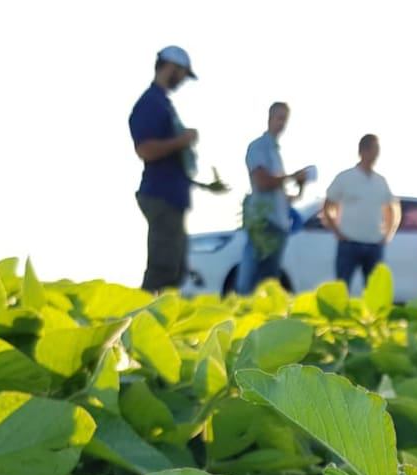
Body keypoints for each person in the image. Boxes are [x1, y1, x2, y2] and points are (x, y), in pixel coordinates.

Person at [128, 45, 225, 292]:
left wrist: (205, 185)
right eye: (183, 73)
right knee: (163, 268)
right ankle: (138, 323)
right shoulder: (151, 103)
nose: (183, 80)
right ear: (172, 67)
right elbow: (145, 150)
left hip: (171, 195)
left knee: (175, 270)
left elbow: (171, 164)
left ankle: (158, 323)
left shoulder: (162, 103)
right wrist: (182, 141)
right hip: (160, 196)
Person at [235, 103, 310, 295]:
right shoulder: (259, 147)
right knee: (250, 279)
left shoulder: (276, 152)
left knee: (268, 282)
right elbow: (262, 181)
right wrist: (292, 177)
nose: (283, 123)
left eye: (285, 119)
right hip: (263, 222)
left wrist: (299, 188)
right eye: (280, 118)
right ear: (270, 118)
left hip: (278, 223)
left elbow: (277, 193)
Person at [323, 134, 401, 288]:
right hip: (349, 243)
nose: (376, 154)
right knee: (342, 288)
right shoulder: (345, 178)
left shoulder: (380, 181)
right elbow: (328, 205)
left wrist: (387, 233)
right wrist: (337, 231)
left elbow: (391, 208)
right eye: (374, 149)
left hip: (374, 244)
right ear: (363, 151)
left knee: (375, 291)